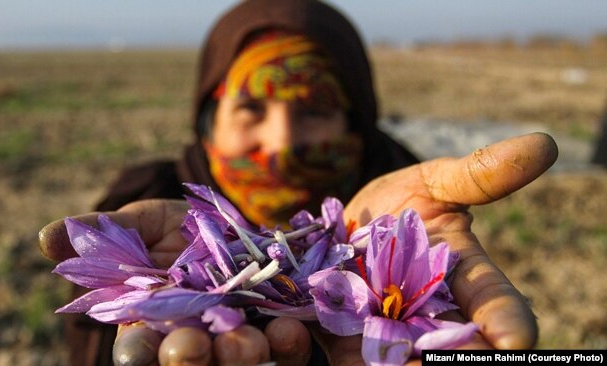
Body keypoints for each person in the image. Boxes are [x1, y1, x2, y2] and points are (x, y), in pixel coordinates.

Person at [39, 0, 557, 365]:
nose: (283, 141)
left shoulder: (407, 215)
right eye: (251, 108)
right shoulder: (145, 197)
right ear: (208, 122)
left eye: (314, 109)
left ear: (356, 122)